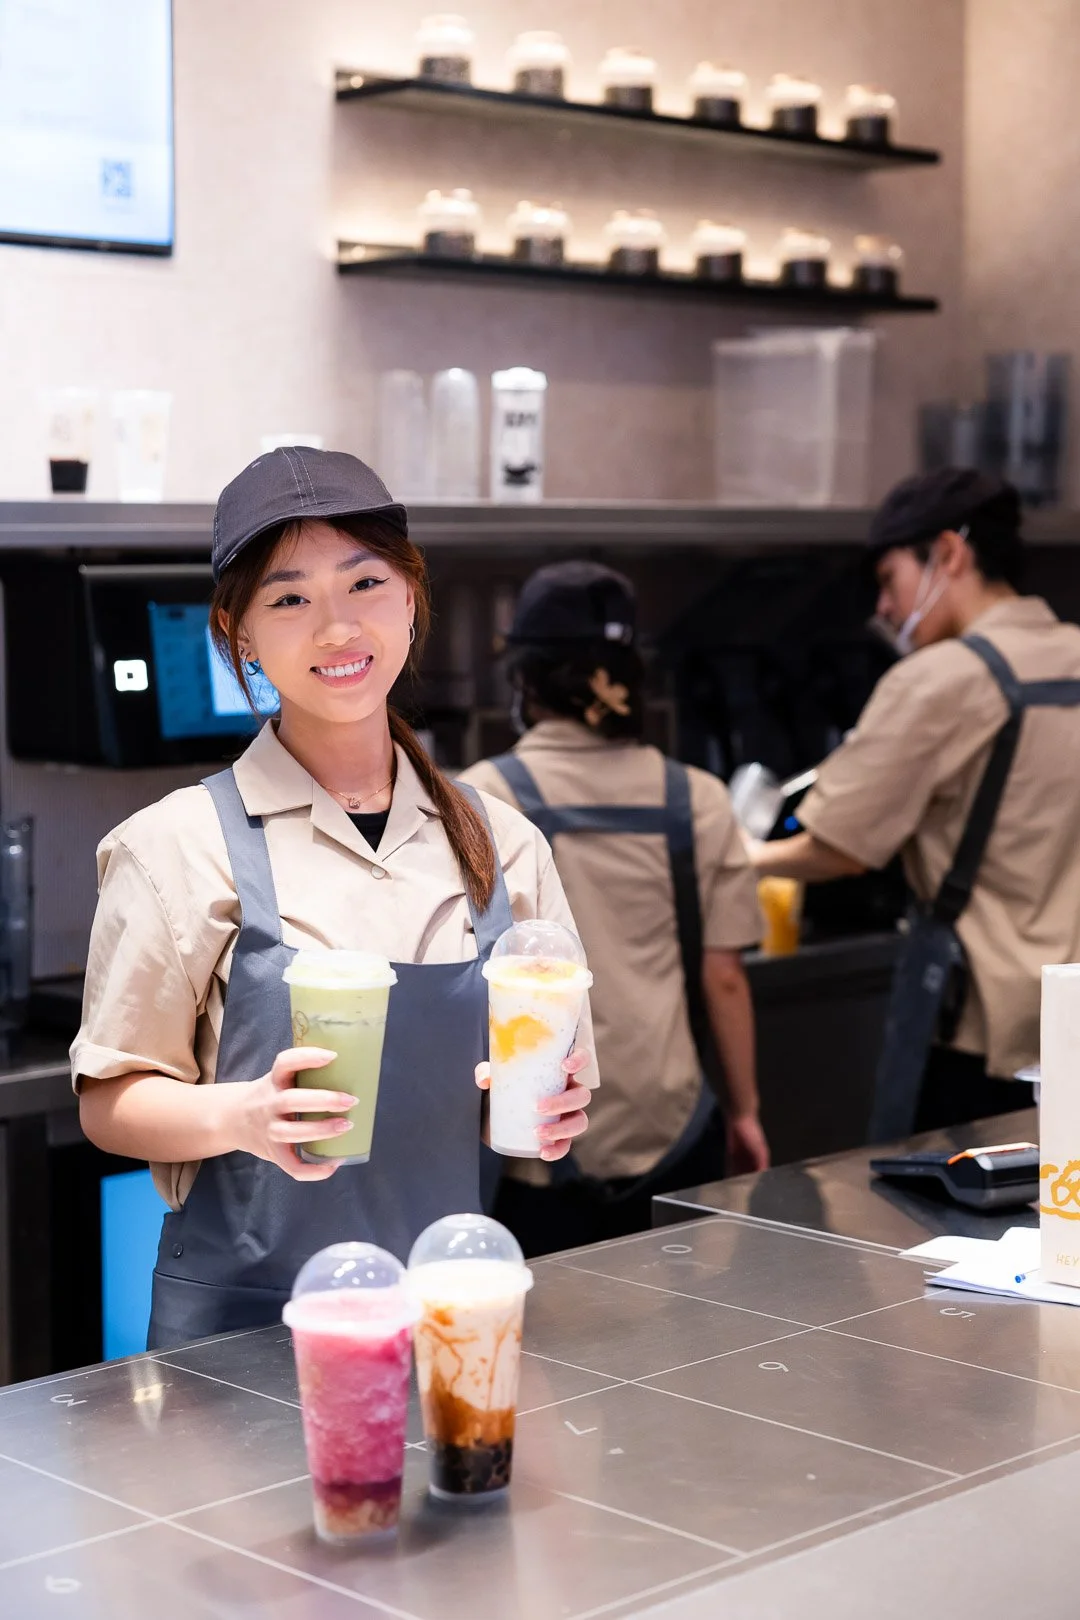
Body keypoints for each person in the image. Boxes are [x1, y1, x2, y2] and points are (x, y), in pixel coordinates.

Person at [72, 447, 595, 1349]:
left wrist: (556, 1111)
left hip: (448, 1319)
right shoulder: (176, 845)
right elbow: (108, 1102)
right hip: (241, 1338)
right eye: (289, 599)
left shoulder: (504, 844)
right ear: (238, 633)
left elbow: (551, 1074)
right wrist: (243, 1116)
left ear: (409, 599)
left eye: (364, 585)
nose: (336, 629)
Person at [751, 468, 1080, 1136]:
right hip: (1070, 1022)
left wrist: (732, 853)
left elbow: (836, 847)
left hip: (985, 1034)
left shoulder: (941, 678)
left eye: (891, 578)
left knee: (951, 1228)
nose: (887, 608)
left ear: (949, 554)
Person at [461, 561, 767, 1256]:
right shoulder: (697, 797)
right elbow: (725, 976)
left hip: (533, 1139)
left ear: (525, 680)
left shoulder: (481, 799)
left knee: (552, 1351)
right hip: (675, 1127)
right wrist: (745, 1111)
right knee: (679, 1344)